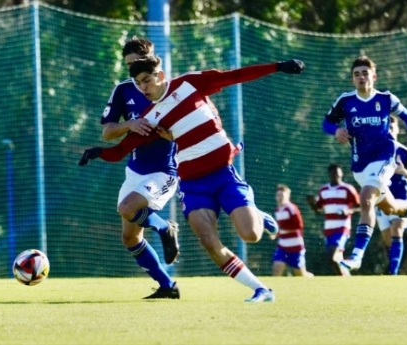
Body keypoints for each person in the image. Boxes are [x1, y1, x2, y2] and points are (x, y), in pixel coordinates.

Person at [79, 55, 305, 301]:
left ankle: (257, 214)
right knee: (209, 241)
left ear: (160, 76)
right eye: (138, 82)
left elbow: (235, 75)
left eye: (146, 80)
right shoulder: (151, 116)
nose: (143, 88)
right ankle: (261, 289)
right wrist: (99, 153)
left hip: (223, 174)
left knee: (251, 235)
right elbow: (123, 149)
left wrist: (278, 67)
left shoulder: (189, 84)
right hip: (192, 184)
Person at [322, 55, 407, 273]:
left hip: (385, 156)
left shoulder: (385, 99)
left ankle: (356, 255)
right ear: (352, 80)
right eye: (357, 74)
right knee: (391, 207)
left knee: (366, 199)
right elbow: (326, 122)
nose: (361, 77)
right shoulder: (345, 101)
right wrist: (336, 130)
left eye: (365, 73)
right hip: (360, 165)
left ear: (374, 76)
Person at [100, 37, 180, 299]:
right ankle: (168, 287)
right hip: (134, 171)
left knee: (126, 208)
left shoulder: (172, 90)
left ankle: (165, 228)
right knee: (129, 237)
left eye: (138, 64)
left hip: (163, 171)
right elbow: (108, 132)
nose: (134, 72)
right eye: (129, 66)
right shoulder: (123, 90)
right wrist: (129, 125)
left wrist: (172, 135)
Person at [375, 116, 407, 275]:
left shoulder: (405, 153)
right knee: (388, 239)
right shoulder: (376, 150)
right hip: (382, 198)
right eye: (386, 126)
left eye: (392, 126)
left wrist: (404, 172)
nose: (389, 129)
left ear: (398, 129)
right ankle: (394, 265)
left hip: (400, 198)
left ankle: (392, 274)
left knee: (397, 229)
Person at [306, 164, 360, 276]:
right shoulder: (324, 190)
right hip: (329, 229)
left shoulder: (348, 189)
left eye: (339, 174)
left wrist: (348, 211)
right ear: (330, 174)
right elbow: (318, 210)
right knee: (336, 260)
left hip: (342, 228)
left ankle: (344, 278)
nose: (337, 176)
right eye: (334, 174)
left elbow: (360, 207)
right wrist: (312, 204)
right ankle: (346, 280)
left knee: (332, 257)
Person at [272, 184, 314, 277]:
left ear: (288, 196)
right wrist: (276, 233)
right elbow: (281, 228)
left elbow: (299, 225)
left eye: (282, 195)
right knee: (276, 270)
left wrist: (282, 229)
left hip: (296, 246)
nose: (280, 198)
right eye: (278, 195)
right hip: (282, 246)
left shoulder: (291, 208)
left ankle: (310, 277)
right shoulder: (277, 210)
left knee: (300, 275)